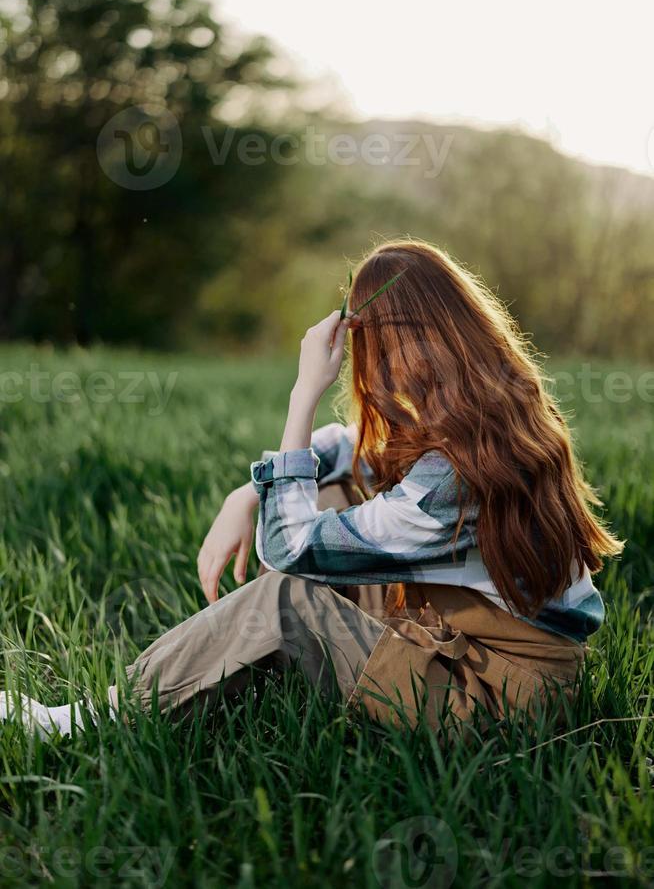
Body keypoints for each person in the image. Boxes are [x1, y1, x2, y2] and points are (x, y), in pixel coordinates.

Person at [1, 239, 622, 737]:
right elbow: (354, 451)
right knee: (331, 497)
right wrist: (244, 494)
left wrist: (303, 396)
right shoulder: (493, 420)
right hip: (493, 658)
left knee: (287, 597)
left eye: (373, 346)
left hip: (490, 703)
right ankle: (213, 670)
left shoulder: (452, 478)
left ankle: (92, 718)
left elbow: (288, 548)